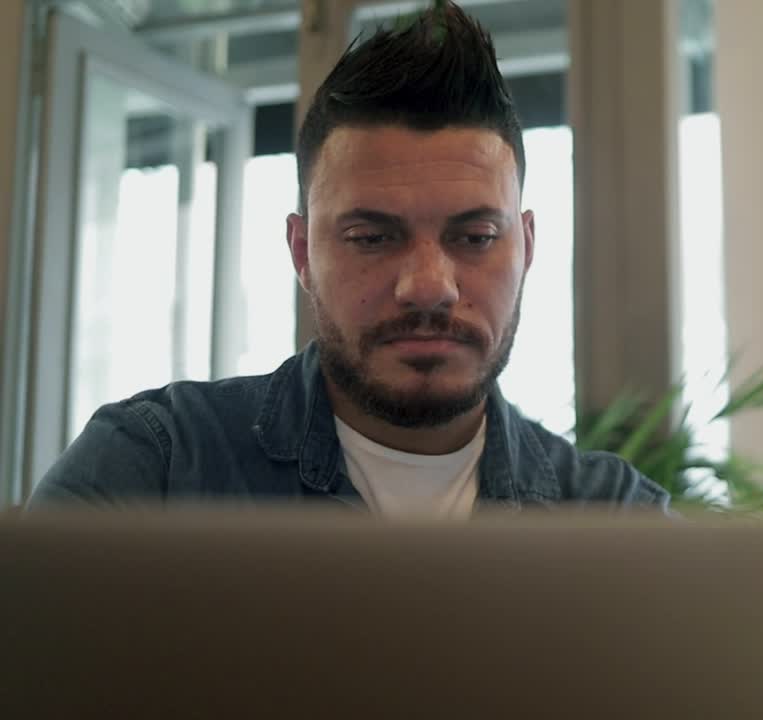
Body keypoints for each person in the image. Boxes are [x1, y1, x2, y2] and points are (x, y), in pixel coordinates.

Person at [31, 3, 668, 515]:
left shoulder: (615, 520)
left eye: (474, 237)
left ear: (525, 248)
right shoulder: (155, 471)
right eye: (372, 237)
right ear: (302, 252)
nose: (428, 287)